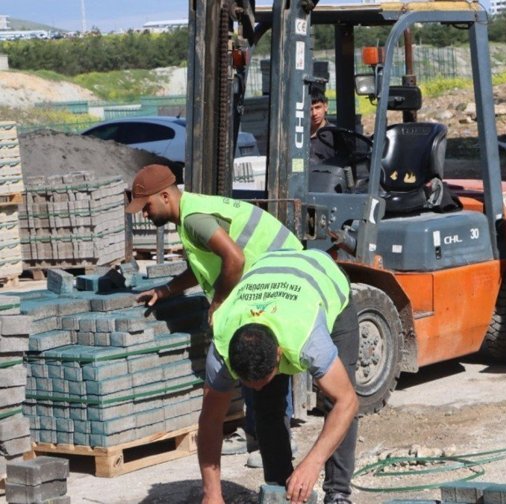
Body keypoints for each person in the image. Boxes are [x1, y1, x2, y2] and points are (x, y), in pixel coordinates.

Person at [125, 163, 304, 463]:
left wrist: (219, 302)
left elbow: (234, 257)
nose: (145, 214)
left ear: (166, 197)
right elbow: (210, 266)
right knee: (248, 352)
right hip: (269, 274)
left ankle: (276, 439)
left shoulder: (194, 218)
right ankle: (257, 434)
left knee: (259, 351)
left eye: (147, 206)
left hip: (281, 274)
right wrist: (165, 290)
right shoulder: (190, 217)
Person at [200, 248, 359, 504]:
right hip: (269, 275)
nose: (258, 388)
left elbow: (347, 401)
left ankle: (338, 492)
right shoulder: (222, 345)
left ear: (278, 354)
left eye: (263, 380)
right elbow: (210, 420)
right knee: (266, 404)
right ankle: (280, 489)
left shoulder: (307, 337)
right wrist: (212, 493)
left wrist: (312, 463)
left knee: (336, 399)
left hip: (323, 278)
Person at [309, 86, 337, 164]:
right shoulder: (298, 136)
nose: (314, 113)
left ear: (325, 107)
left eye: (317, 107)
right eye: (310, 109)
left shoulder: (335, 136)